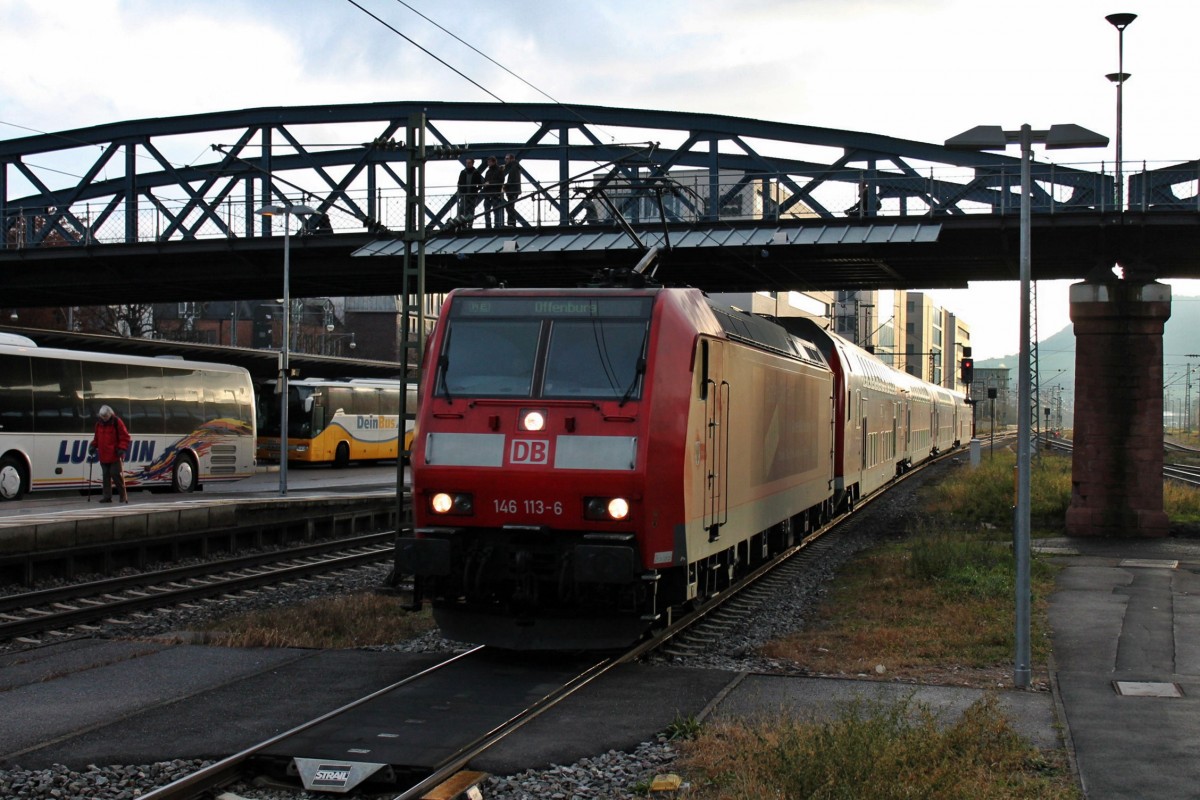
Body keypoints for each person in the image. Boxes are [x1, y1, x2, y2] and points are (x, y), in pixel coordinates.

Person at [89, 404, 131, 503]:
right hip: (103, 455)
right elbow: (97, 438)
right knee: (106, 475)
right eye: (102, 417)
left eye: (106, 416)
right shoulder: (98, 424)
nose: (104, 419)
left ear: (110, 414)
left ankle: (122, 495)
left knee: (114, 473)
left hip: (115, 454)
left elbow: (125, 437)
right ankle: (107, 497)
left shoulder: (117, 422)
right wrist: (93, 446)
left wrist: (122, 448)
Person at [456, 158, 482, 228]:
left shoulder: (476, 172)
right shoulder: (463, 172)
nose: (467, 164)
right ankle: (463, 224)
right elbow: (459, 183)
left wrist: (476, 189)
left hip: (472, 195)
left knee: (470, 210)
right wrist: (461, 190)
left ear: (472, 163)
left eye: (469, 163)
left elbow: (480, 184)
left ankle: (470, 225)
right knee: (462, 210)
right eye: (467, 162)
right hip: (464, 195)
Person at [480, 156, 504, 230]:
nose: (488, 163)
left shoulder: (499, 170)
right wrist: (485, 185)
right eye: (488, 162)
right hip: (488, 194)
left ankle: (496, 226)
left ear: (494, 162)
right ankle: (488, 226)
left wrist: (489, 183)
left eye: (489, 162)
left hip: (495, 194)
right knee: (487, 212)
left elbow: (501, 181)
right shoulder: (488, 171)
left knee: (495, 211)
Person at [502, 153, 521, 227]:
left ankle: (511, 223)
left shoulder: (514, 167)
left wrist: (505, 186)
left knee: (510, 207)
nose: (505, 160)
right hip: (514, 190)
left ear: (512, 159)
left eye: (507, 159)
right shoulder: (514, 166)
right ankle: (511, 223)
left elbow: (513, 180)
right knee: (510, 207)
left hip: (513, 190)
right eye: (505, 159)